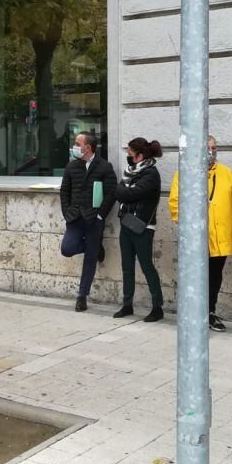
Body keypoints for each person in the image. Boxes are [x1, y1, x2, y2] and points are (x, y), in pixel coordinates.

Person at [169, 136, 232, 332]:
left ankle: (210, 312)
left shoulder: (226, 173)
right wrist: (186, 227)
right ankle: (193, 313)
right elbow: (175, 202)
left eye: (214, 148)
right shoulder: (184, 173)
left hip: (220, 237)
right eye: (207, 148)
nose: (211, 151)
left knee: (215, 277)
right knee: (194, 278)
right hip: (196, 239)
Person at [59, 132, 117, 312]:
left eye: (77, 143)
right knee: (67, 249)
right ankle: (96, 247)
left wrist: (101, 215)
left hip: (94, 219)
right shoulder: (71, 166)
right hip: (74, 218)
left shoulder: (105, 167)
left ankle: (82, 296)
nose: (74, 145)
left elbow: (111, 193)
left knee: (90, 258)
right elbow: (64, 192)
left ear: (88, 147)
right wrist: (67, 212)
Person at [113, 138, 165, 322]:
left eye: (129, 154)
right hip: (127, 223)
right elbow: (119, 191)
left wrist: (124, 191)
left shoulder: (151, 174)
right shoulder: (130, 172)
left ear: (140, 156)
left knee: (147, 266)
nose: (127, 157)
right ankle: (127, 305)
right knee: (127, 266)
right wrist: (124, 191)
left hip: (143, 227)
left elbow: (128, 193)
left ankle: (157, 307)